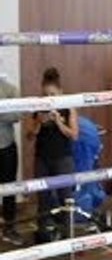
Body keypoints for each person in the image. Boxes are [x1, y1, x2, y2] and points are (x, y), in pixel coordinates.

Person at [24, 68, 79, 243]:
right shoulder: (37, 107)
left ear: (60, 92)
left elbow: (74, 135)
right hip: (42, 158)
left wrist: (57, 122)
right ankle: (43, 235)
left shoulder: (68, 106)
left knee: (66, 197)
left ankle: (67, 235)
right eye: (45, 94)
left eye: (52, 94)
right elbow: (29, 136)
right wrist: (39, 122)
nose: (48, 98)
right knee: (43, 198)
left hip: (63, 158)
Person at [0, 75, 22, 244]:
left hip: (6, 147)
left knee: (10, 188)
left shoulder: (10, 89)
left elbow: (17, 115)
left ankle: (10, 228)